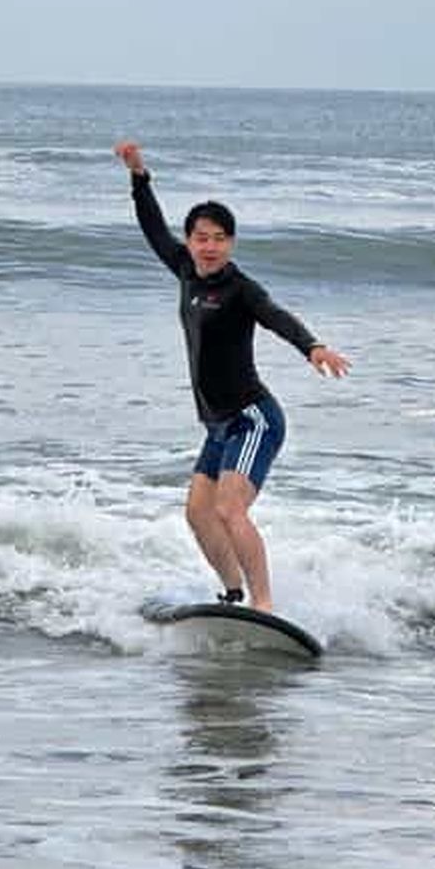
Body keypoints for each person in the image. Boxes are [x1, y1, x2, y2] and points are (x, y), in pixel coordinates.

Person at [115, 141, 350, 612]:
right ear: (190, 241)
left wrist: (312, 346)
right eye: (201, 237)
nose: (210, 246)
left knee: (229, 508)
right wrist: (139, 177)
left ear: (231, 243)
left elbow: (274, 314)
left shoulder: (240, 288)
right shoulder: (185, 270)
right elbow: (151, 229)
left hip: (252, 418)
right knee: (199, 515)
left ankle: (264, 605)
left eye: (220, 238)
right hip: (218, 424)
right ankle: (232, 594)